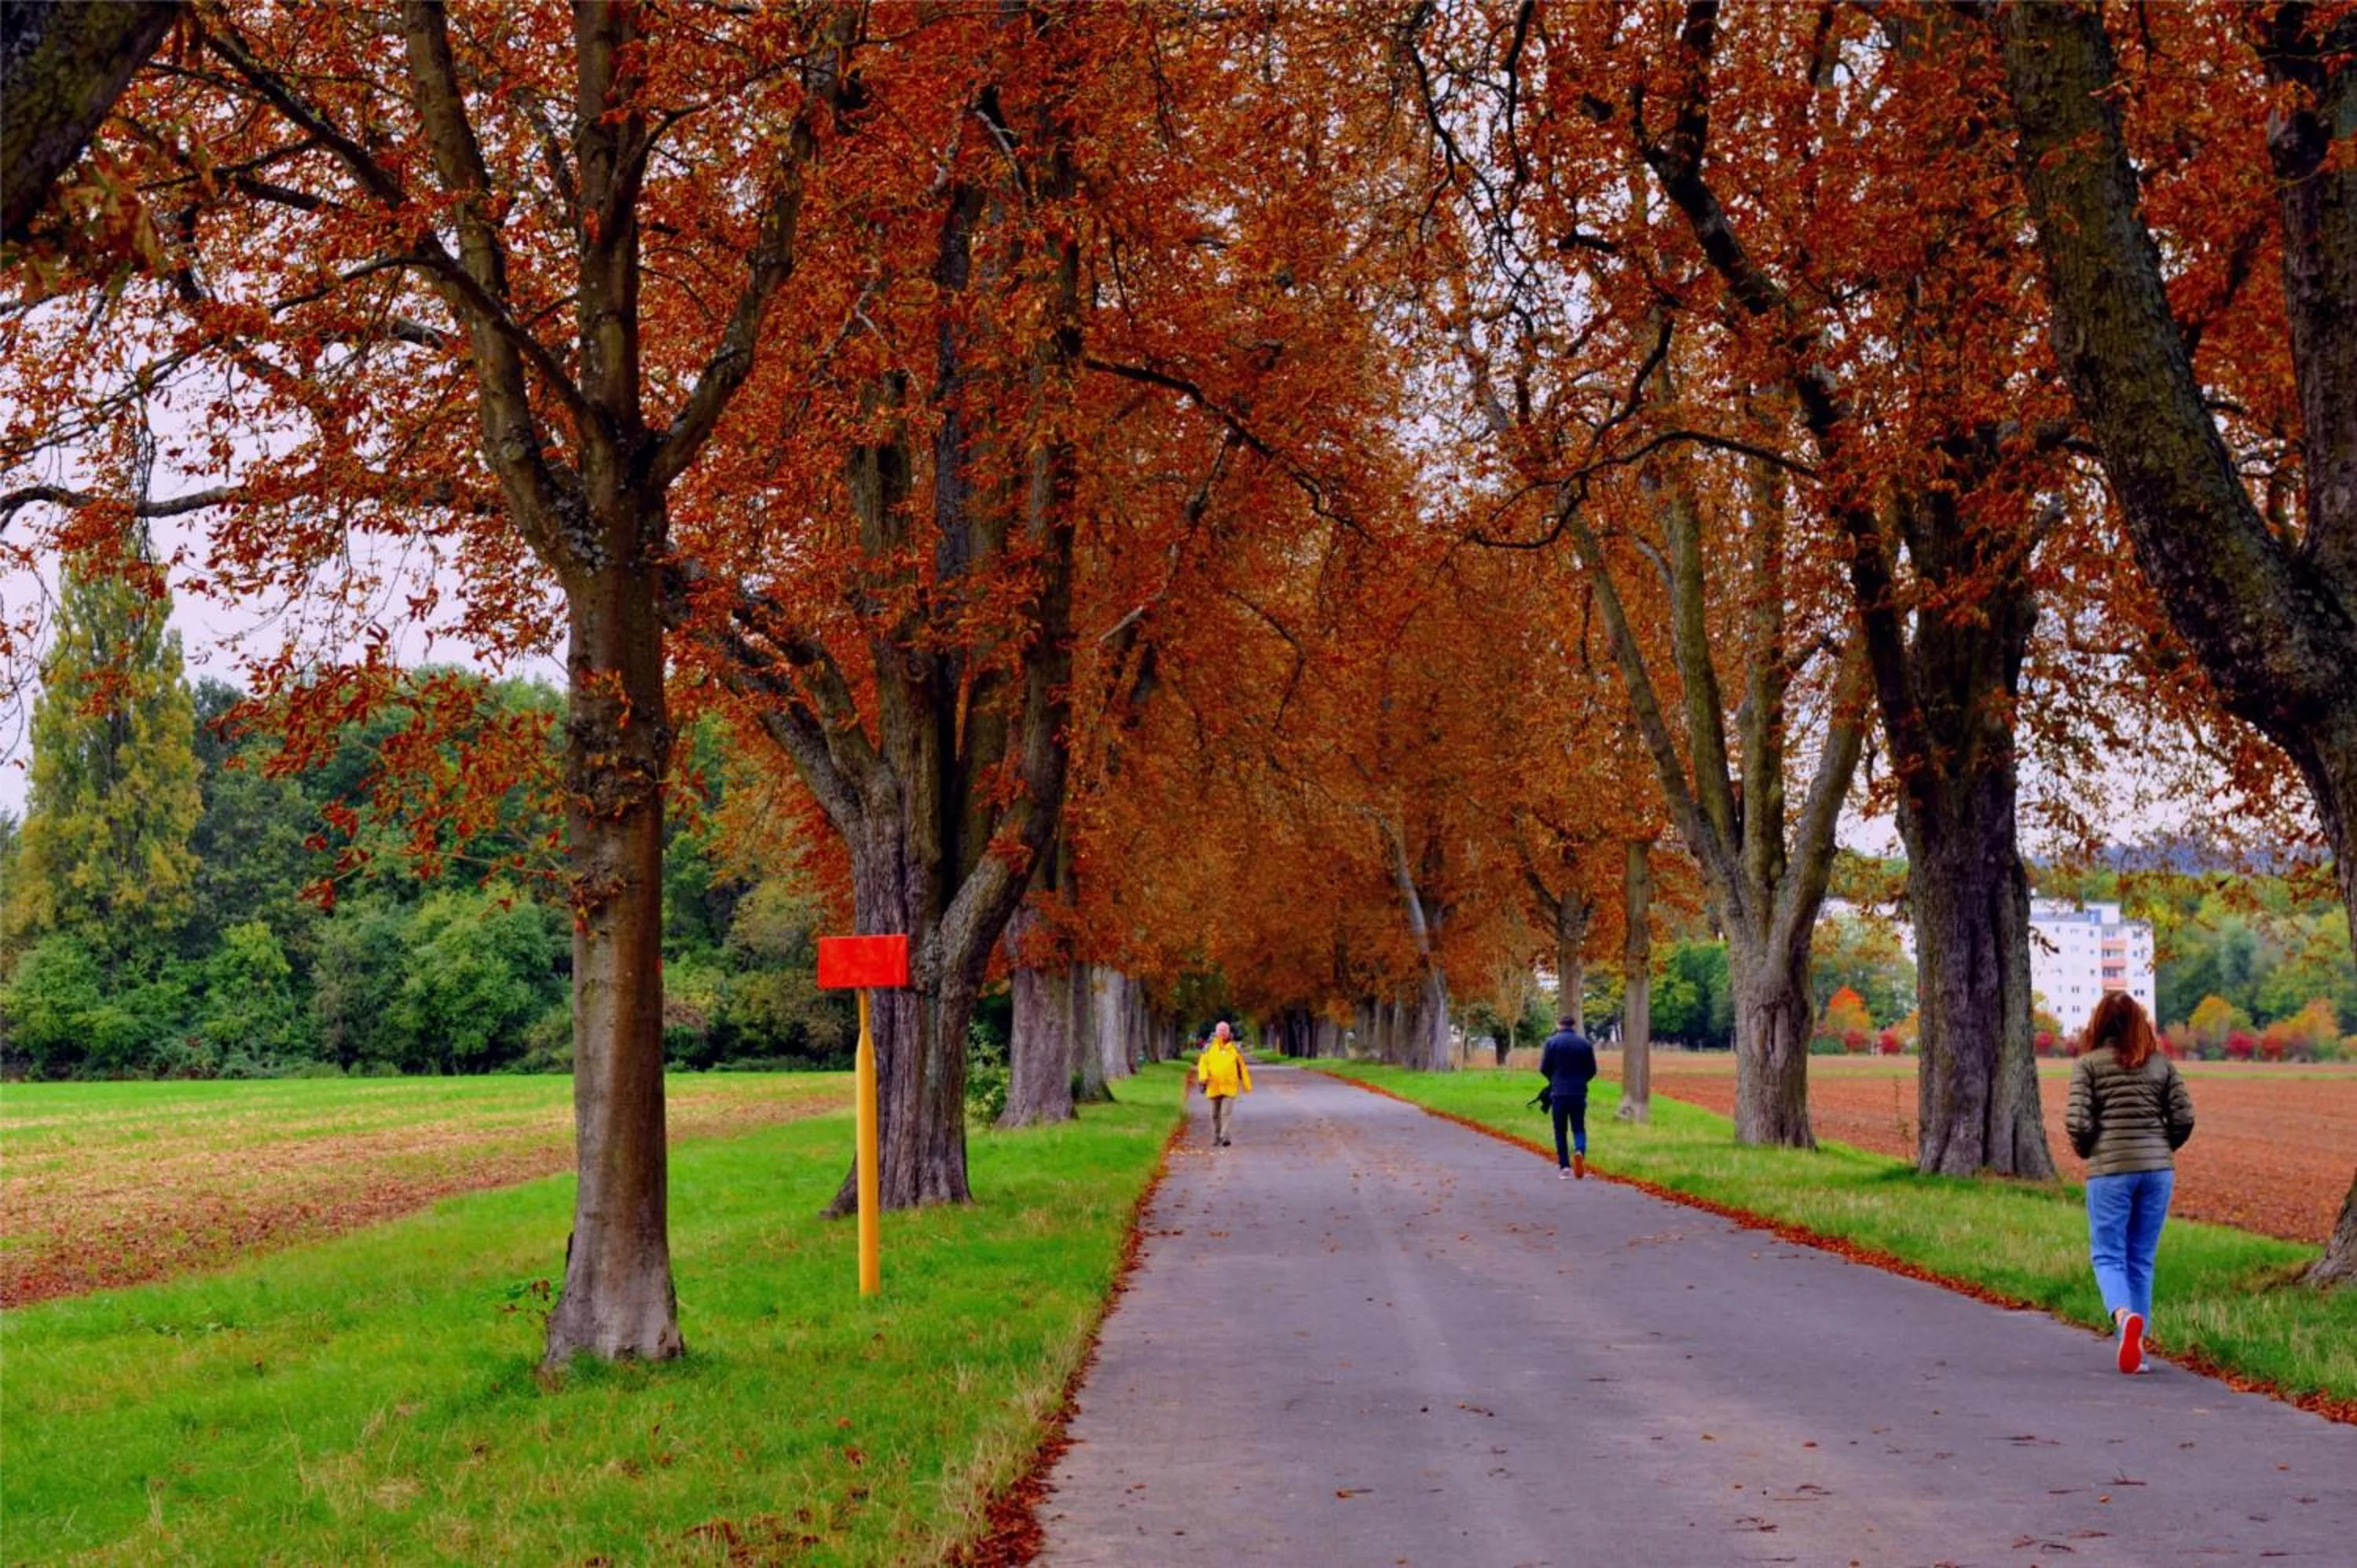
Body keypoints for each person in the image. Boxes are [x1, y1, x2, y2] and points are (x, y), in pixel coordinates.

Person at [2066, 992, 2195, 1374]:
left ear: (2098, 1024)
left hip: (2110, 1171)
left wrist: (2091, 1149)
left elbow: (2077, 1122)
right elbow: (2184, 1117)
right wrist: (2160, 1148)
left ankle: (2124, 1319)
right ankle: (2137, 1350)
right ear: (2139, 1023)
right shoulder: (2161, 1065)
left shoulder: (2088, 1065)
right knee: (2141, 1258)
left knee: (2107, 1253)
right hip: (2158, 1172)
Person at [1538, 1014, 1597, 1180]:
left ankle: (1564, 1167)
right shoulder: (1585, 1044)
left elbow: (1544, 1068)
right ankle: (1579, 1151)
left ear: (1558, 1024)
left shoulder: (1552, 1043)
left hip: (1559, 1093)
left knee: (1560, 1130)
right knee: (1579, 1127)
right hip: (1579, 1092)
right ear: (1574, 1026)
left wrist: (1554, 1079)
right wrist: (1582, 1080)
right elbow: (1592, 1069)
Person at [1193, 1020, 1253, 1147]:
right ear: (1216, 1033)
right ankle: (1217, 1135)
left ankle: (1224, 1136)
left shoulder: (1235, 1049)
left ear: (1229, 1032)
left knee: (1226, 1113)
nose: (1222, 1033)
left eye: (1225, 1030)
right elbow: (1203, 1064)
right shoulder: (1208, 1048)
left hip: (1230, 1086)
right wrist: (1203, 1079)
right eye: (1220, 1030)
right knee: (1214, 1114)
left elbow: (1242, 1067)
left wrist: (1246, 1084)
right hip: (1213, 1086)